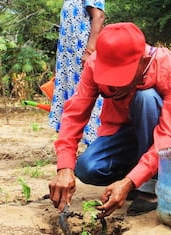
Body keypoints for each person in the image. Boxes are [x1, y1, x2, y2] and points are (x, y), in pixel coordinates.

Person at [49, 22, 171, 218]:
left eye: (121, 76)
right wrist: (64, 168)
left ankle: (150, 185)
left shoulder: (170, 67)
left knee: (146, 98)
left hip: (164, 133)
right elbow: (75, 114)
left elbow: (169, 134)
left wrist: (131, 181)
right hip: (122, 133)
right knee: (86, 168)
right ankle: (139, 174)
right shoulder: (94, 64)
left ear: (143, 60)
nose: (113, 84)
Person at [49, 0, 105, 145]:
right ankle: (70, 144)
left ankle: (95, 145)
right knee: (74, 99)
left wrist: (89, 51)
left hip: (82, 55)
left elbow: (98, 16)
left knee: (88, 96)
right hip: (69, 59)